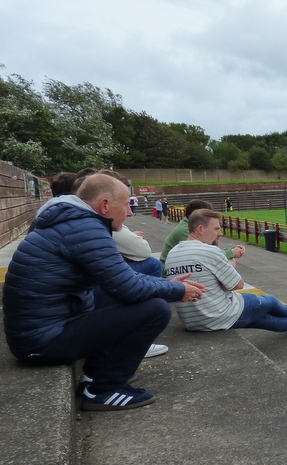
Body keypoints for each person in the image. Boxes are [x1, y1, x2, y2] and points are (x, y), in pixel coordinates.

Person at [2, 172, 205, 411]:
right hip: (42, 342)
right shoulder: (85, 227)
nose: (130, 213)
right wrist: (175, 289)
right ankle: (103, 390)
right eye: (126, 205)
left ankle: (94, 375)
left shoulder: (74, 221)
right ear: (105, 205)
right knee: (156, 309)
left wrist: (167, 284)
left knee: (134, 296)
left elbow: (121, 278)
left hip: (45, 327)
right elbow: (128, 288)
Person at [164, 209, 287, 334]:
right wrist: (231, 262)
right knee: (269, 301)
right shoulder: (209, 251)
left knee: (262, 319)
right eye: (216, 229)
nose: (220, 233)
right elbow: (237, 285)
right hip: (218, 314)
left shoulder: (173, 253)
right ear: (201, 229)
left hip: (193, 321)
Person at [110, 223, 170, 358]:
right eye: (126, 206)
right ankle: (139, 340)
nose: (130, 213)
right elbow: (143, 250)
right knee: (153, 264)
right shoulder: (99, 222)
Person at [160, 199, 245, 266]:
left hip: (179, 269)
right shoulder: (185, 230)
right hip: (171, 275)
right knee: (228, 264)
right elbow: (205, 255)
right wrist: (231, 252)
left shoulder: (187, 226)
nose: (220, 234)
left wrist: (230, 251)